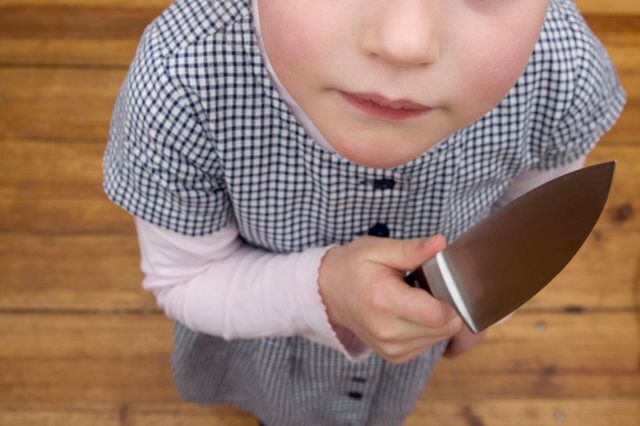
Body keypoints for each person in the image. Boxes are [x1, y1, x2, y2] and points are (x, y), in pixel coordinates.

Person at [102, 0, 625, 424]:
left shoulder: (564, 72)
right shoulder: (182, 81)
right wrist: (326, 292)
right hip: (256, 335)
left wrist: (481, 308)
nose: (404, 43)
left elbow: (532, 231)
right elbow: (186, 278)